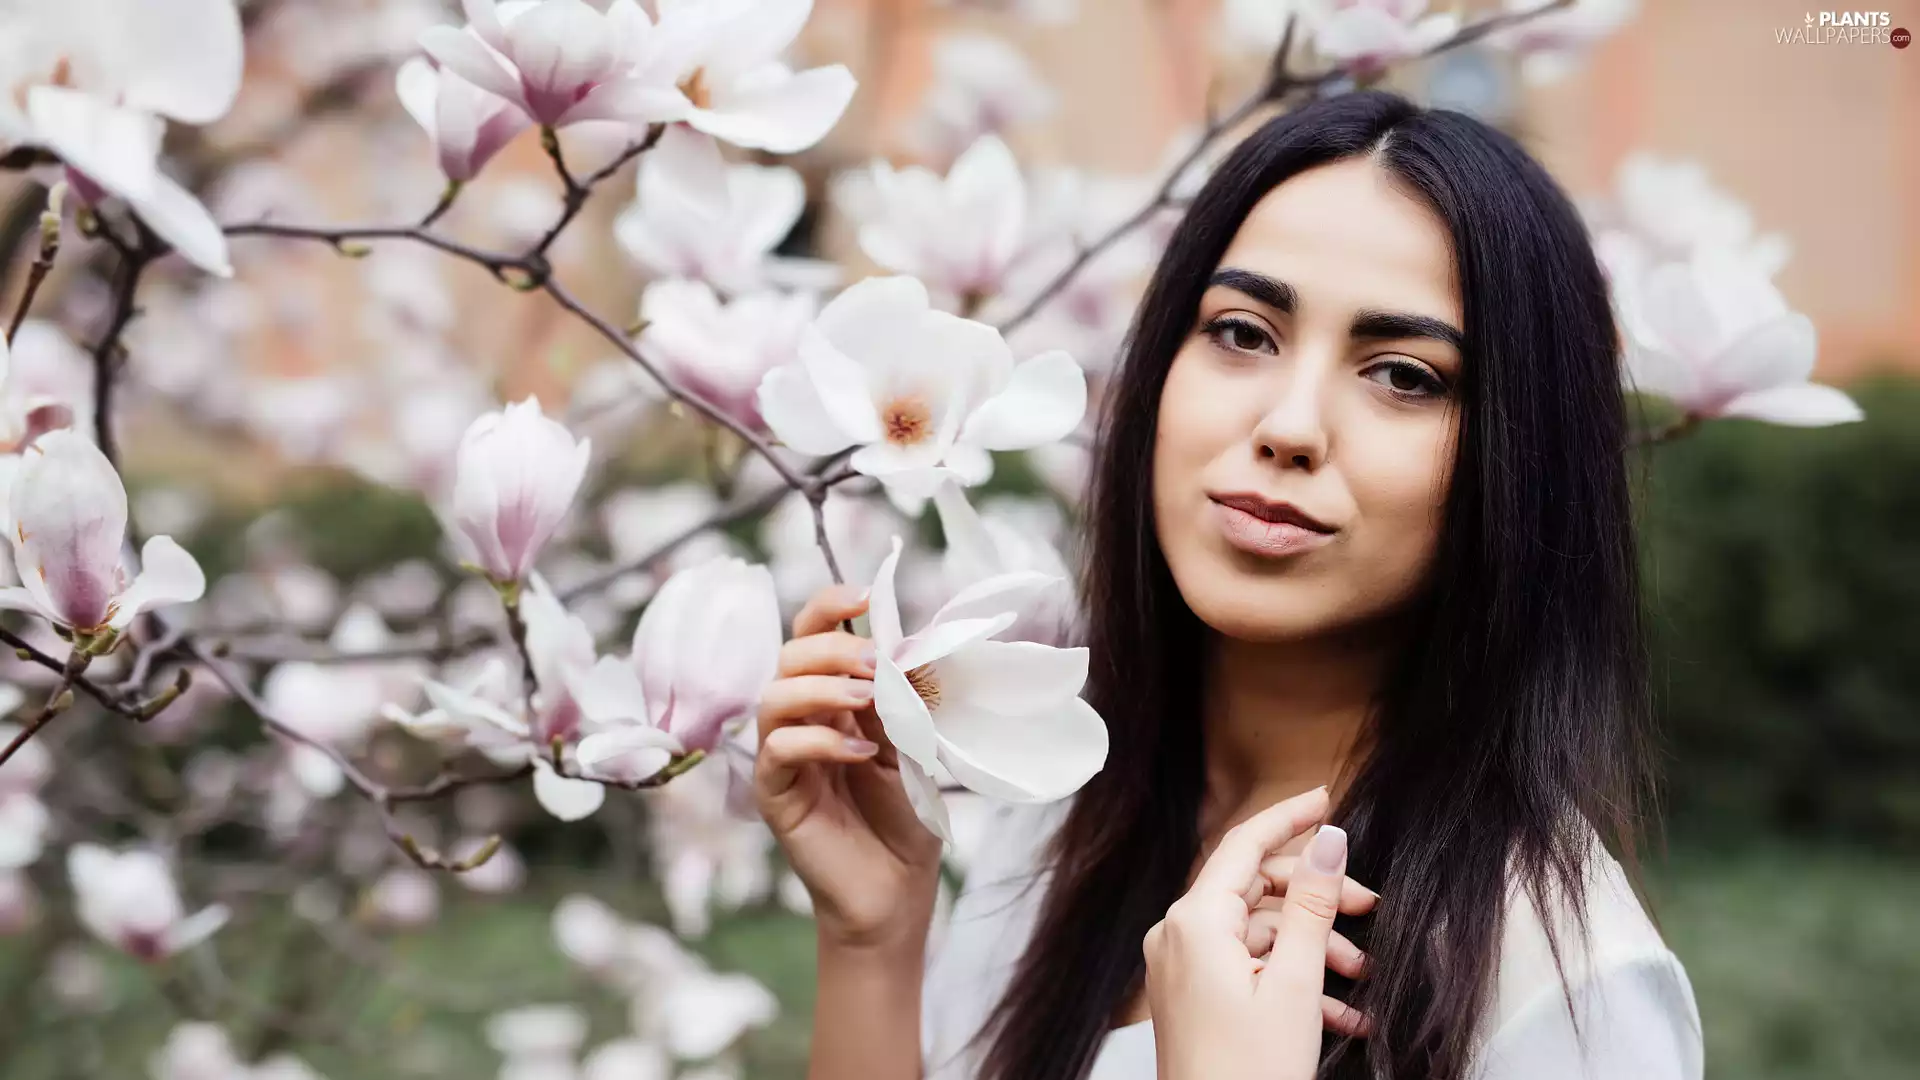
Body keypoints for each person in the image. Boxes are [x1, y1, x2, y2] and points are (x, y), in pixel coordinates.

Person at [753, 90, 1703, 1080]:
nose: (1290, 425)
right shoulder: (1066, 814)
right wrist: (873, 942)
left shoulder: (1560, 988)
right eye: (1244, 333)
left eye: (1405, 376)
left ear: (1523, 460)